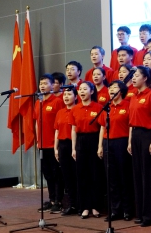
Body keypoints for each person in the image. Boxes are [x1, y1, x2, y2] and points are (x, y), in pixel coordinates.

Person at [128, 66, 151, 226]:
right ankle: (140, 212)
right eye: (133, 75)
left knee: (148, 175)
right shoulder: (134, 95)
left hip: (147, 135)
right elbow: (131, 121)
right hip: (135, 135)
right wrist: (130, 141)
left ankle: (150, 215)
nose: (133, 78)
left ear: (145, 78)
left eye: (137, 75)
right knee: (137, 174)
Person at [99, 80, 135, 221]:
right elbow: (102, 127)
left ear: (121, 91)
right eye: (110, 88)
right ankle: (115, 210)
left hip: (122, 141)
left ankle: (127, 209)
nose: (111, 90)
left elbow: (131, 125)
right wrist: (100, 146)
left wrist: (130, 142)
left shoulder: (127, 105)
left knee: (124, 176)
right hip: (108, 142)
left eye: (114, 87)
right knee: (111, 177)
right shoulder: (107, 107)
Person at [70, 81, 104, 219]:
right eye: (80, 89)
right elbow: (73, 130)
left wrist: (100, 146)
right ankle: (84, 206)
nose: (82, 91)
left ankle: (95, 206)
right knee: (82, 174)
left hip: (94, 139)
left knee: (95, 174)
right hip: (80, 141)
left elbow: (102, 128)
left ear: (92, 91)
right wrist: (73, 148)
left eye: (85, 89)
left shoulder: (98, 107)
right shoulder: (75, 109)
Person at [34, 74, 65, 214]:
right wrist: (37, 140)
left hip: (54, 144)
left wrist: (57, 145)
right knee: (47, 174)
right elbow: (36, 122)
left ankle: (59, 201)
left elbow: (60, 123)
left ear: (52, 85)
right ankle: (52, 200)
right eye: (41, 83)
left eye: (45, 83)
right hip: (42, 144)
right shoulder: (38, 102)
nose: (42, 86)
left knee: (56, 173)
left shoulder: (57, 101)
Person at [54, 86, 79, 216]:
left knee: (77, 175)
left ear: (76, 96)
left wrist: (74, 148)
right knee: (67, 176)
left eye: (69, 94)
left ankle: (80, 204)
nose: (66, 97)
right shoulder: (60, 112)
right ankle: (72, 204)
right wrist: (55, 148)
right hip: (63, 145)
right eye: (64, 95)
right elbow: (57, 130)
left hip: (75, 145)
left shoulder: (78, 110)